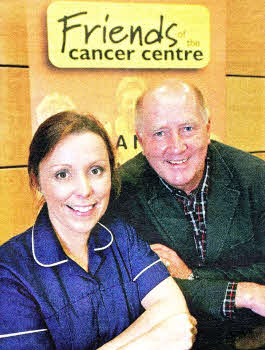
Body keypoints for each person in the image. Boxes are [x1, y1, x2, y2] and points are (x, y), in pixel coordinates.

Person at [0, 111, 197, 349]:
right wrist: (153, 341)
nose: (84, 190)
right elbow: (173, 333)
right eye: (62, 174)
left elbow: (173, 311)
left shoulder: (121, 235)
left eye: (96, 171)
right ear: (37, 181)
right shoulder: (10, 271)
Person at [115, 79, 265, 328]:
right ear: (141, 141)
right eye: (159, 133)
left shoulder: (256, 178)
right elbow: (129, 289)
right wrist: (243, 293)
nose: (176, 147)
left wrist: (191, 277)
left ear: (207, 129)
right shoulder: (120, 194)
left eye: (187, 128)